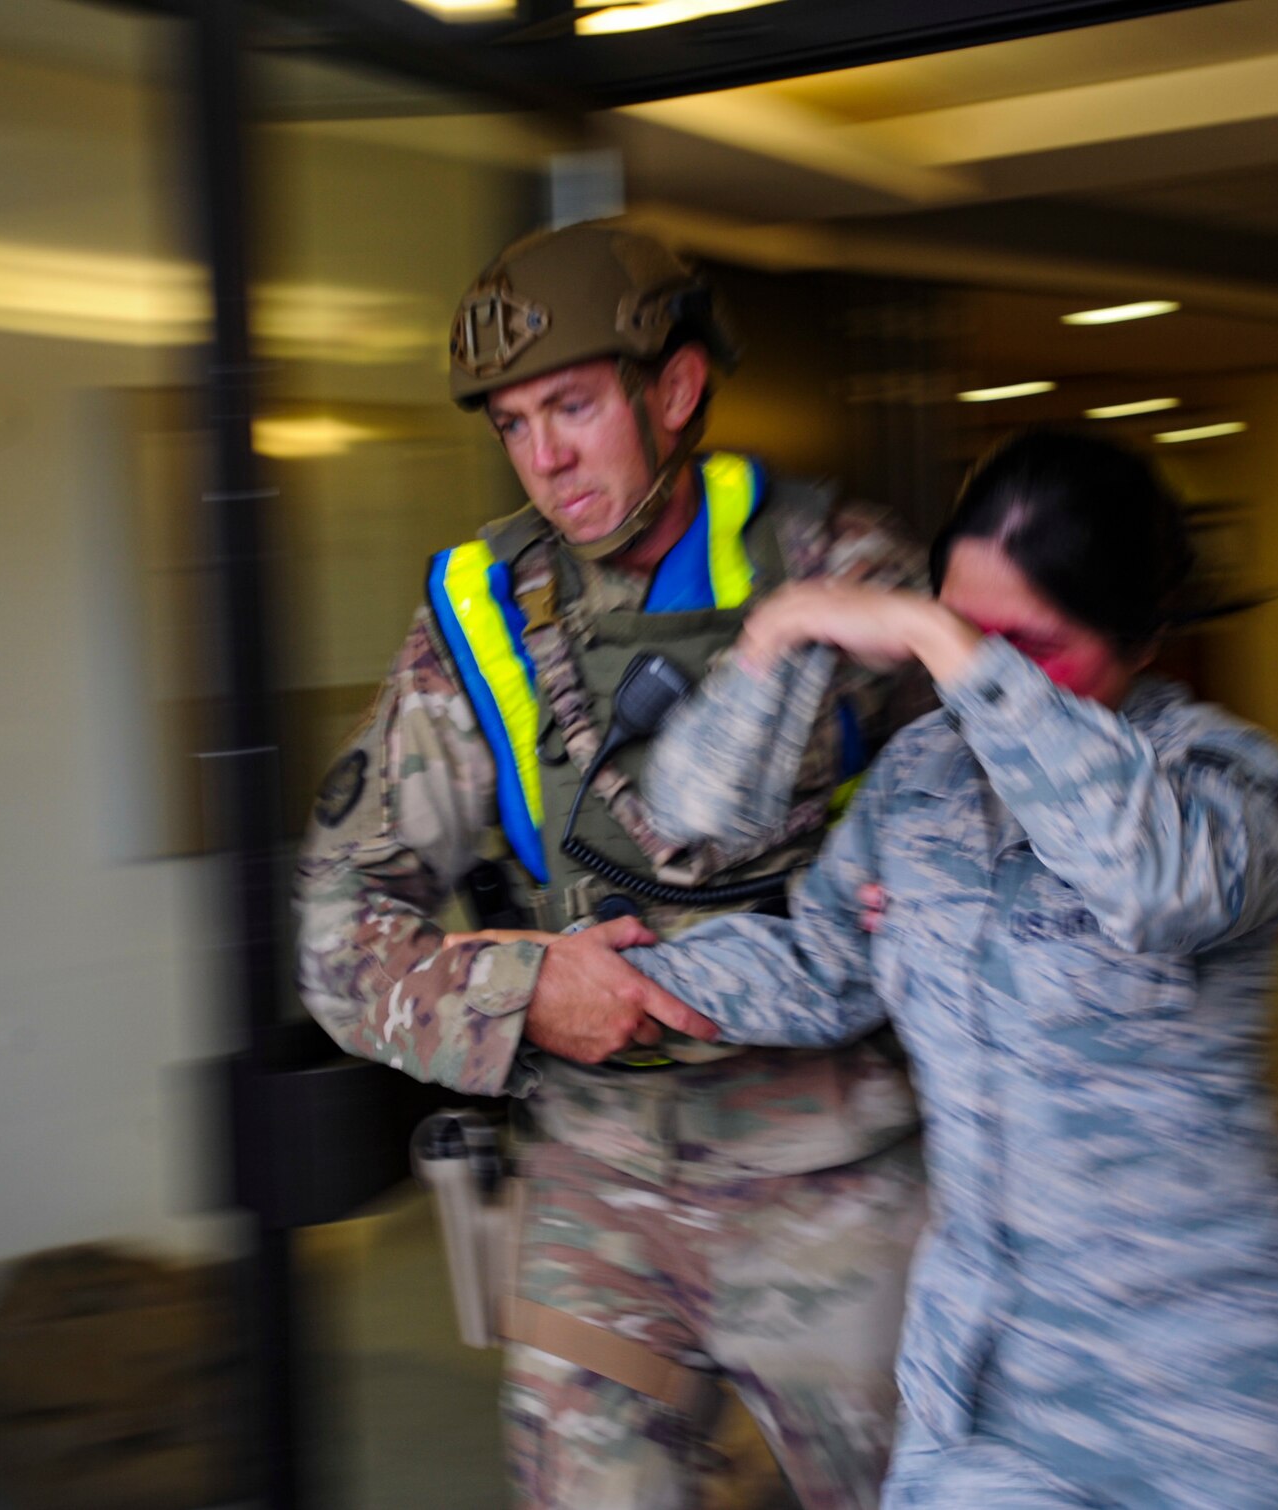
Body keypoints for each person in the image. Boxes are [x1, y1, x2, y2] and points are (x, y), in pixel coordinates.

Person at [294, 222, 932, 1510]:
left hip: (831, 1172)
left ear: (676, 388)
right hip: (597, 1184)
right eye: (515, 424)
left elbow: (998, 846)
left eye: (574, 407)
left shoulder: (838, 566)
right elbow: (336, 933)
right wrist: (530, 997)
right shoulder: (476, 612)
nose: (547, 459)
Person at [628, 431, 1278, 1508]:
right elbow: (822, 962)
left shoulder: (1230, 785)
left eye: (1020, 644)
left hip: (1215, 1397)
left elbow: (1150, 881)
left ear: (1137, 634)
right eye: (958, 631)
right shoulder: (920, 780)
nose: (975, 680)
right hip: (986, 1390)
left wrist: (945, 641)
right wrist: (643, 974)